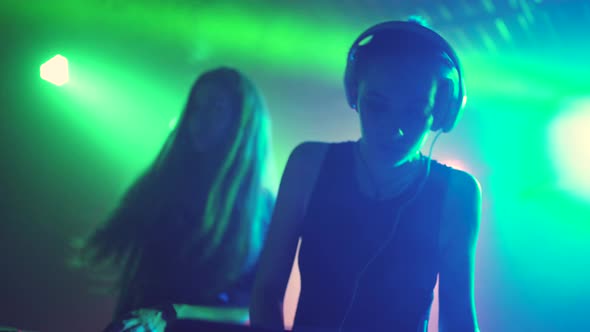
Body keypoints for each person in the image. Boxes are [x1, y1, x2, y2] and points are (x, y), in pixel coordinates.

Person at [250, 19, 481, 332]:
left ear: (441, 110)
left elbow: (459, 321)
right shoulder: (308, 164)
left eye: (414, 111)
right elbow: (265, 293)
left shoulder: (458, 193)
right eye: (377, 106)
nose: (394, 128)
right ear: (353, 93)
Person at [75, 67, 276, 330]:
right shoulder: (164, 182)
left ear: (243, 124)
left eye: (216, 109)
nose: (201, 119)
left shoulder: (261, 209)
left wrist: (173, 313)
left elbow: (247, 308)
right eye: (196, 107)